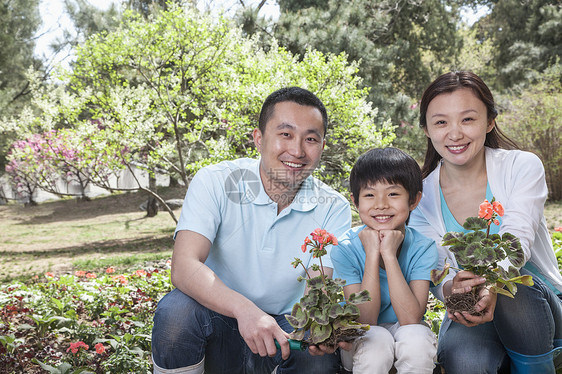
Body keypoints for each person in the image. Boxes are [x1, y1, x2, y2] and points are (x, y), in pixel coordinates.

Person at [151, 87, 352, 374]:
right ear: (258, 139)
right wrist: (245, 310)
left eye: (310, 139)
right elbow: (184, 266)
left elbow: (319, 289)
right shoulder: (216, 181)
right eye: (285, 134)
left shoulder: (334, 207)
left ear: (321, 147)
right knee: (177, 313)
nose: (297, 151)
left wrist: (317, 326)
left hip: (285, 333)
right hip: (217, 320)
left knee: (316, 357)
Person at [409, 70, 562, 373]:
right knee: (466, 361)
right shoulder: (419, 195)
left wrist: (492, 282)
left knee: (512, 288)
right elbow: (437, 268)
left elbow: (517, 239)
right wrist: (451, 289)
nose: (454, 133)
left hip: (539, 306)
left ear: (490, 121)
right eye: (441, 122)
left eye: (467, 119)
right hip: (472, 307)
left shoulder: (521, 166)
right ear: (426, 128)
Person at [331, 147, 438, 374]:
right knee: (377, 339)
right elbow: (365, 319)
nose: (381, 204)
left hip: (405, 329)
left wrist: (388, 254)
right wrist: (372, 254)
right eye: (369, 195)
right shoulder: (345, 248)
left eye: (393, 194)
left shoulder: (423, 247)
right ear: (356, 201)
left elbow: (411, 318)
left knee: (417, 336)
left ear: (414, 200)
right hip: (363, 338)